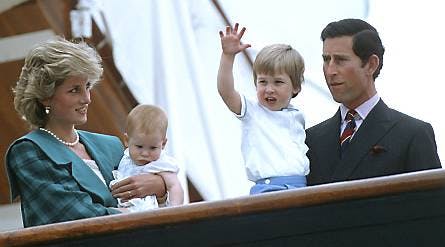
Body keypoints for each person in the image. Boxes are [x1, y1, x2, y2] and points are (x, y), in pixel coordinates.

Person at [5, 37, 166, 227]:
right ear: (45, 97)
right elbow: (73, 216)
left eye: (88, 86)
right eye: (74, 90)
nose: (87, 98)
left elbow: (159, 203)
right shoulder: (28, 151)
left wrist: (161, 187)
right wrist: (135, 213)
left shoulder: (112, 145)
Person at [306, 18, 441, 185]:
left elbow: (431, 207)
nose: (330, 70)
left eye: (340, 60)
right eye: (326, 60)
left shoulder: (412, 134)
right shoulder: (310, 139)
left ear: (371, 65)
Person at [217, 23, 309, 195]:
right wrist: (227, 56)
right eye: (263, 82)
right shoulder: (252, 111)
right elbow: (225, 91)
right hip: (268, 188)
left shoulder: (297, 116)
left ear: (295, 87)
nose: (269, 89)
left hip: (301, 187)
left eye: (278, 82)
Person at [111, 104, 184, 211]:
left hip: (148, 211)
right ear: (127, 140)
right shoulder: (125, 158)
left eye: (153, 148)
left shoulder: (161, 163)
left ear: (163, 144)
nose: (145, 153)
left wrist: (174, 210)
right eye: (139, 146)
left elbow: (175, 187)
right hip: (123, 207)